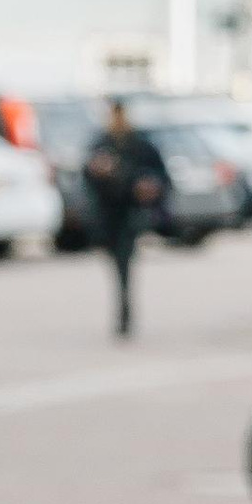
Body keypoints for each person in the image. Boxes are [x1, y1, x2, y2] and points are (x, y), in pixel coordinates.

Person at [81, 100, 169, 339]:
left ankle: (125, 313)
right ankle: (123, 310)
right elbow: (87, 176)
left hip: (129, 215)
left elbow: (159, 176)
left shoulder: (140, 145)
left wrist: (147, 186)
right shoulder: (102, 143)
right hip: (108, 215)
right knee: (115, 264)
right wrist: (98, 171)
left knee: (124, 263)